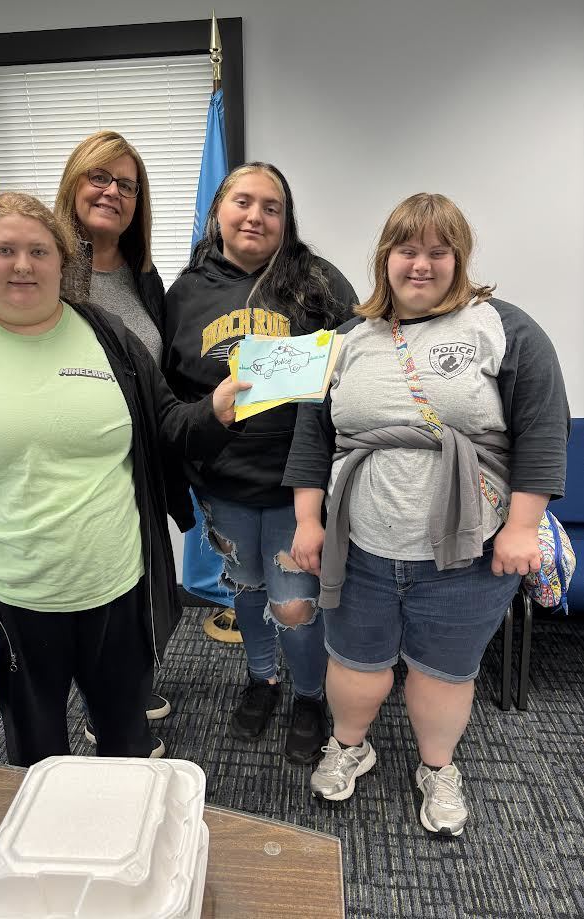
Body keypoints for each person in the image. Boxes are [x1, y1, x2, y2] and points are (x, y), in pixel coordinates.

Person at [0, 192, 246, 768]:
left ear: (64, 262)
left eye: (38, 250)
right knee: (37, 757)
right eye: (3, 249)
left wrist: (218, 409)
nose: (22, 265)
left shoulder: (110, 339)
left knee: (127, 748)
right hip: (3, 595)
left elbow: (169, 429)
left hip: (115, 588)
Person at [283, 192, 569, 833]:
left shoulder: (504, 328)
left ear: (459, 260)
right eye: (407, 250)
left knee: (444, 670)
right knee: (354, 664)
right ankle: (350, 747)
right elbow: (311, 437)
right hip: (360, 546)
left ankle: (438, 769)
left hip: (467, 551)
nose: (422, 264)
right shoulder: (345, 340)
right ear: (384, 259)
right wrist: (308, 521)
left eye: (439, 251)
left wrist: (522, 528)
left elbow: (543, 433)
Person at [165, 162, 358, 765]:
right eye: (242, 202)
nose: (255, 216)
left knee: (294, 604)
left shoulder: (320, 283)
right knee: (244, 591)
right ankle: (260, 679)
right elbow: (169, 389)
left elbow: (354, 367)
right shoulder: (185, 292)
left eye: (271, 207)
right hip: (222, 485)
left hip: (295, 488)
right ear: (219, 210)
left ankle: (308, 695)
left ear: (286, 219)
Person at [54, 130, 173, 735]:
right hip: (65, 470)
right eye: (99, 177)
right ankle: (107, 718)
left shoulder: (142, 277)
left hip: (134, 469)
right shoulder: (42, 266)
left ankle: (127, 692)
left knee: (140, 593)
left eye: (127, 185)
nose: (112, 192)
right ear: (73, 182)